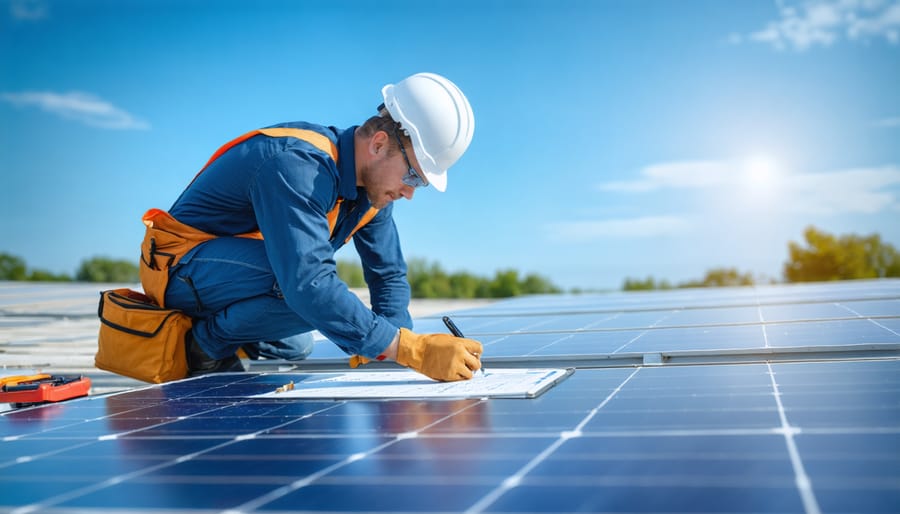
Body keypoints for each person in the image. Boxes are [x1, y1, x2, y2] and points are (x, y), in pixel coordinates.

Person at [138, 72, 483, 382]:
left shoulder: (375, 194)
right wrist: (413, 350)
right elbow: (307, 282)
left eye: (419, 184)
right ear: (378, 144)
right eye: (412, 176)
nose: (409, 193)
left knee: (297, 345)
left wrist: (395, 353)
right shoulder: (297, 165)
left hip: (238, 270)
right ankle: (201, 345)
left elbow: (388, 275)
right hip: (179, 265)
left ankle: (225, 335)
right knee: (306, 291)